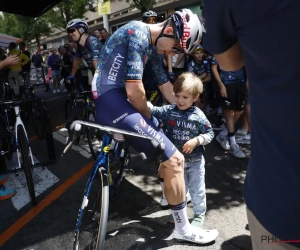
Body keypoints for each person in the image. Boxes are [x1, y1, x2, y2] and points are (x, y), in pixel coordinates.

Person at [93, 8, 218, 244]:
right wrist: (151, 121)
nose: (174, 53)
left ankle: (168, 193)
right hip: (112, 99)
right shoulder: (138, 32)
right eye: (178, 47)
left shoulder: (152, 44)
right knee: (175, 159)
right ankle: (183, 228)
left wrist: (188, 111)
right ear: (169, 30)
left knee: (164, 147)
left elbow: (165, 87)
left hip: (113, 98)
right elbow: (134, 90)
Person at [203, 0, 300, 249]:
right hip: (282, 203)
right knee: (230, 111)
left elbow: (230, 60)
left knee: (238, 109)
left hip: (281, 201)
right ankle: (231, 137)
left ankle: (236, 136)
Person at [149, 72, 214, 227]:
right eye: (177, 96)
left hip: (195, 161)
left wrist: (197, 140)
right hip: (177, 163)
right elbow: (152, 110)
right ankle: (180, 216)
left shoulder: (199, 116)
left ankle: (199, 214)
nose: (180, 100)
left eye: (185, 97)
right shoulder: (169, 111)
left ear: (195, 97)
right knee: (179, 191)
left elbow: (210, 133)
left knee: (197, 190)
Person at [65, 19, 102, 86]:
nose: (70, 34)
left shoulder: (91, 41)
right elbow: (77, 60)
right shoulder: (80, 46)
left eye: (72, 30)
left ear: (81, 29)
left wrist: (99, 79)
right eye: (68, 32)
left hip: (106, 74)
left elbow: (96, 61)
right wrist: (72, 75)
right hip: (97, 74)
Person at [187, 44, 211, 113]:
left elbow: (209, 78)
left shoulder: (206, 62)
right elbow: (192, 80)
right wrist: (203, 75)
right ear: (193, 54)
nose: (199, 55)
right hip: (194, 87)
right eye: (197, 53)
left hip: (204, 86)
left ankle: (204, 115)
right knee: (198, 101)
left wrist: (198, 78)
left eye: (201, 52)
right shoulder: (190, 65)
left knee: (205, 98)